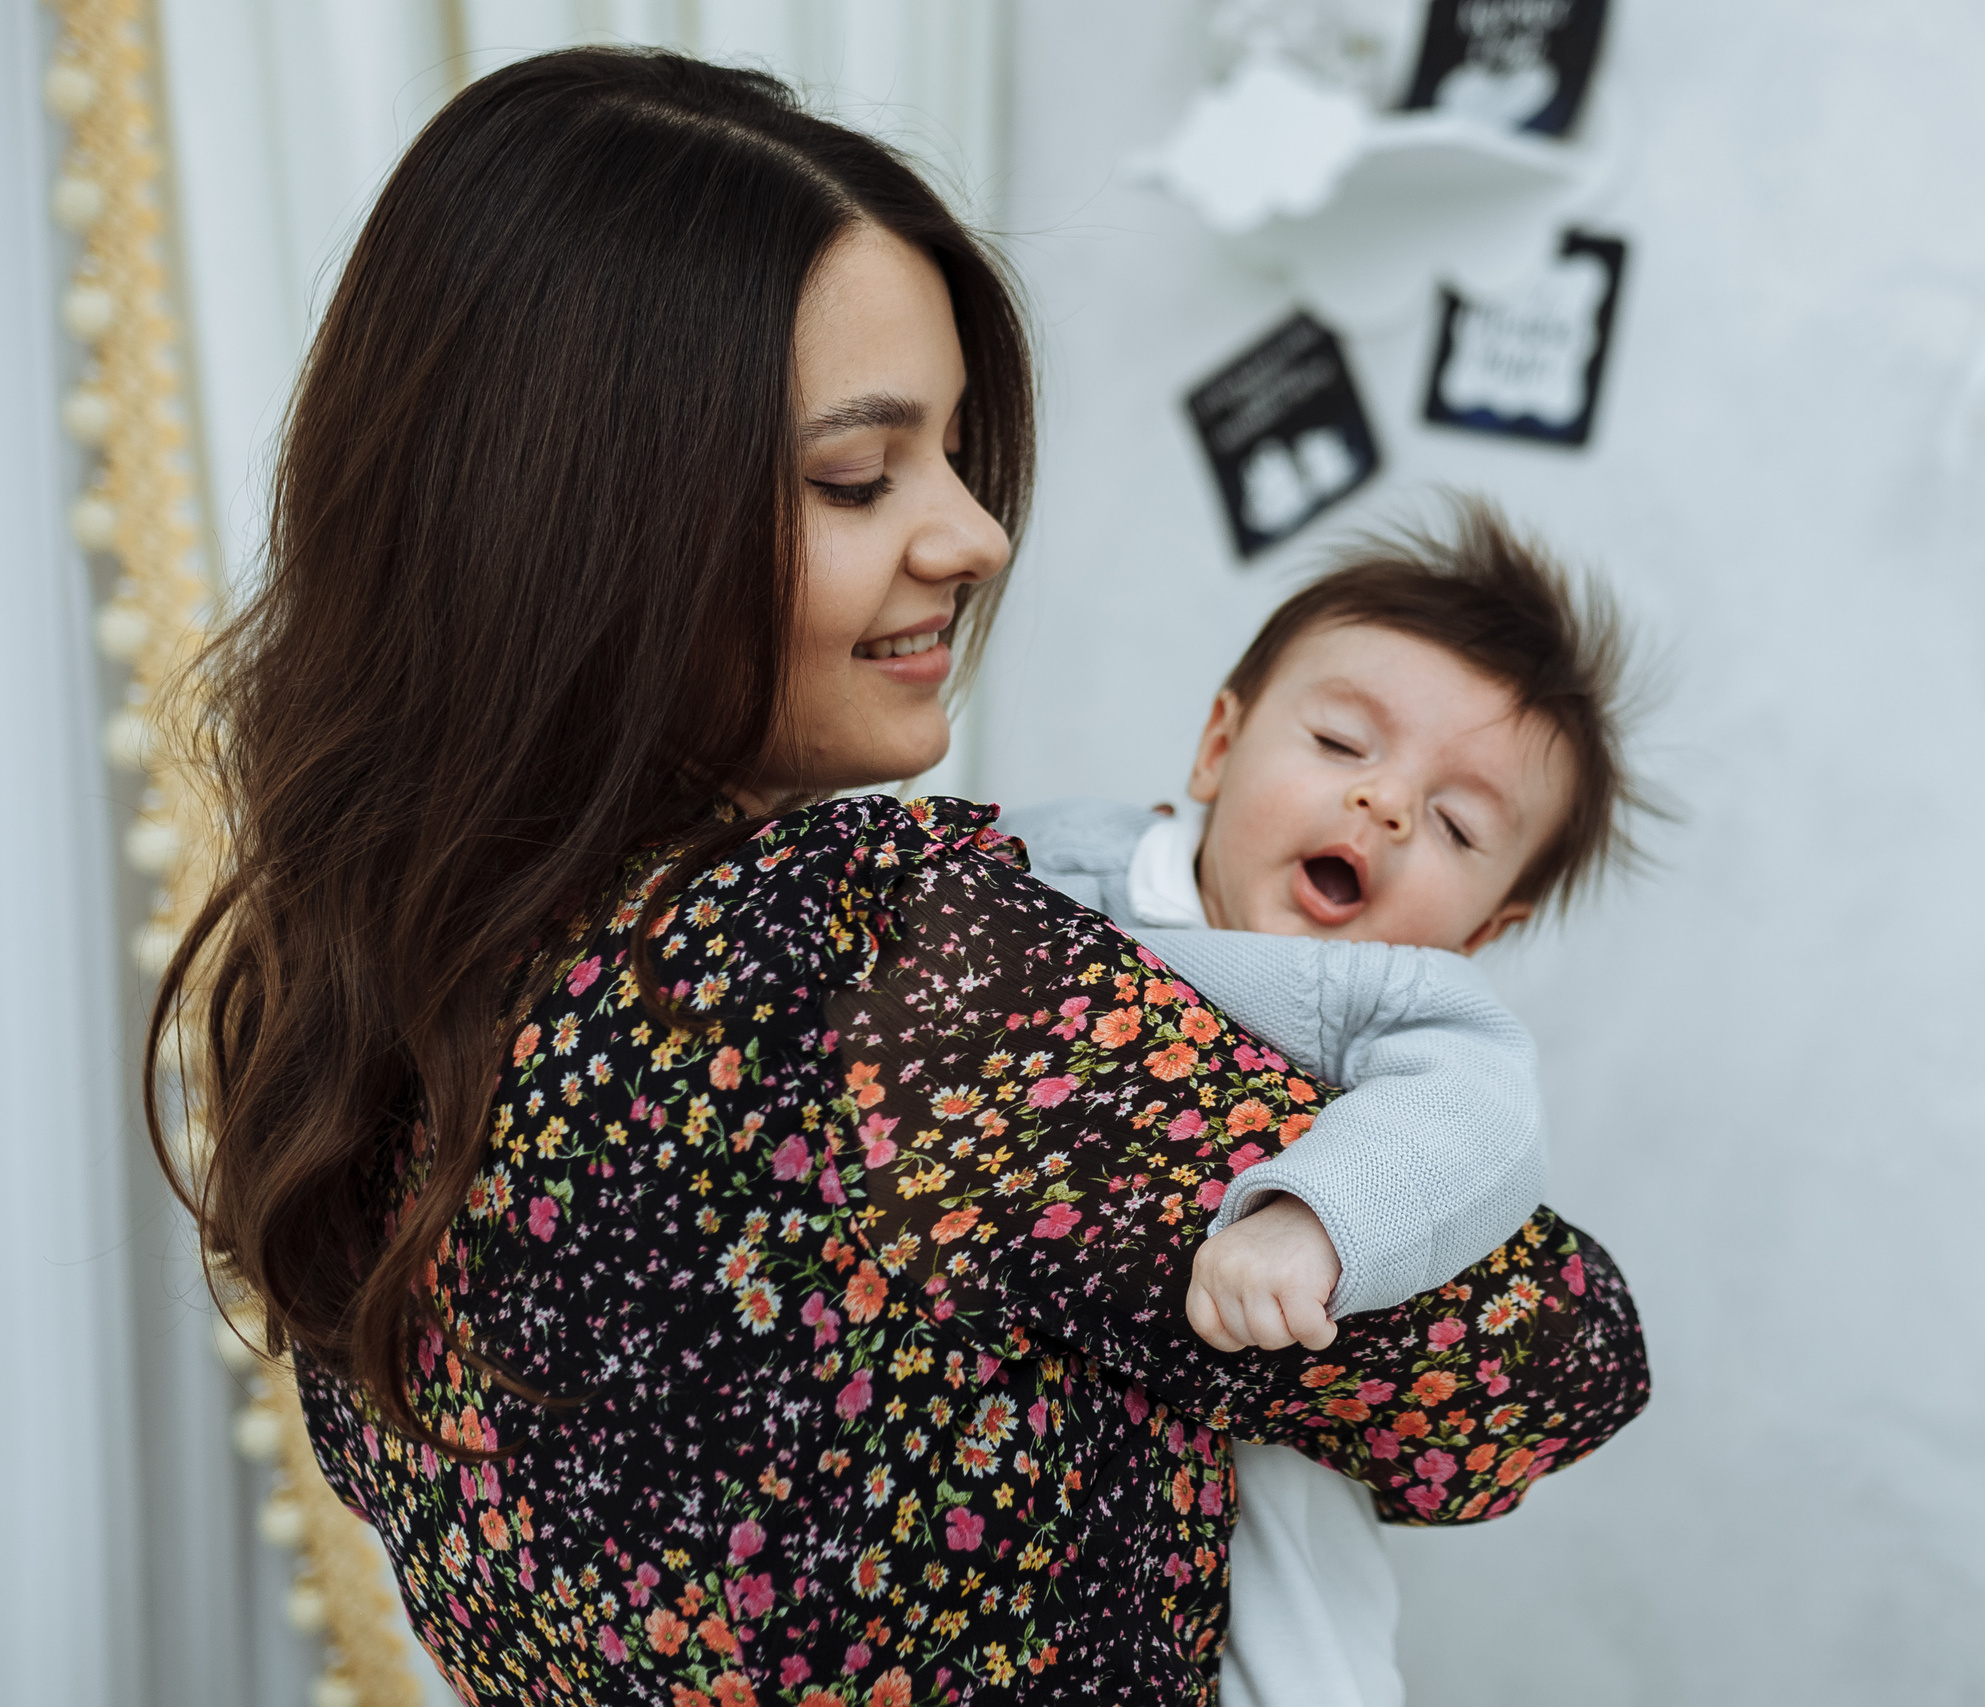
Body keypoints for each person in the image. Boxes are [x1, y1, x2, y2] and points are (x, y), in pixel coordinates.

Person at [146, 48, 1650, 1707]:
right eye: (859, 476)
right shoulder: (864, 954)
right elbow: (1539, 1368)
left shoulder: (334, 995)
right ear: (589, 520)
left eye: (950, 454)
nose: (976, 533)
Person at [999, 501, 1647, 1707]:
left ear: (1482, 929)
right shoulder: (1051, 863)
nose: (1387, 805)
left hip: (1251, 1523)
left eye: (1457, 824)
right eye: (1344, 743)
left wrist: (1314, 1221)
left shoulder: (1385, 992)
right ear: (1216, 748)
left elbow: (1478, 1112)